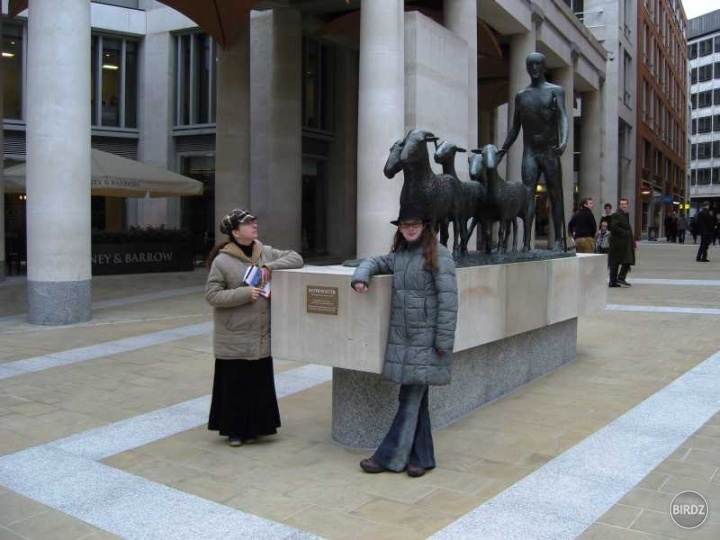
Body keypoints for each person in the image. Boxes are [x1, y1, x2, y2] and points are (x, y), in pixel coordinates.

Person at [350, 203, 458, 478]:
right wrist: (362, 276)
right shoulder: (399, 255)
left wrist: (443, 341)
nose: (409, 229)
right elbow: (374, 261)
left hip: (428, 341)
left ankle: (387, 457)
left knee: (409, 398)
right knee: (415, 398)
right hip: (404, 339)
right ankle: (422, 458)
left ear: (424, 227)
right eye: (404, 225)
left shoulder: (440, 255)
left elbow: (448, 302)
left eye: (414, 225)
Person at [205, 208, 303, 446]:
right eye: (248, 223)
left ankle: (257, 428)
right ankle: (235, 431)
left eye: (253, 221)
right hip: (234, 334)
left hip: (260, 332)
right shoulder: (222, 260)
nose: (254, 225)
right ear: (236, 231)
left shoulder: (265, 252)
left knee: (258, 383)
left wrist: (270, 267)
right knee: (235, 384)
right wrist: (245, 293)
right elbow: (212, 295)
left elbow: (297, 258)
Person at [498, 51, 569, 252]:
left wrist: (563, 142)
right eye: (531, 65)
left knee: (555, 193)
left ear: (544, 67)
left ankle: (558, 239)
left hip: (550, 150)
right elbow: (514, 128)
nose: (534, 69)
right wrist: (503, 149)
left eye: (538, 64)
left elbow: (563, 117)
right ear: (527, 68)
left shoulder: (556, 91)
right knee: (527, 194)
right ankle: (526, 241)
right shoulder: (522, 96)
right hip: (530, 151)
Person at [608, 198, 636, 288]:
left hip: (624, 243)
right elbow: (613, 227)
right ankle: (619, 279)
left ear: (627, 205)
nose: (624, 205)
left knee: (622, 261)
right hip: (618, 243)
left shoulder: (625, 215)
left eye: (625, 204)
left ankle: (614, 281)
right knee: (622, 261)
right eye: (622, 204)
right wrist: (625, 233)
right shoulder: (617, 215)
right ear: (619, 205)